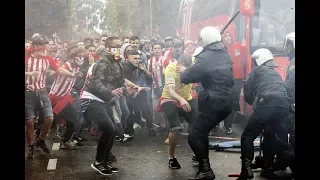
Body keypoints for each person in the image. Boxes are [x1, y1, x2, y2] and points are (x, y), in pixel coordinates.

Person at [180, 26, 237, 180]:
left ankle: (206, 170)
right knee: (201, 132)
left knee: (194, 136)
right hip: (228, 102)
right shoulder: (224, 53)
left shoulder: (204, 58)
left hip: (214, 102)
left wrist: (187, 67)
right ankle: (204, 168)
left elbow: (186, 77)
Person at [81, 37, 136, 176]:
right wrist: (110, 91)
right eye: (115, 46)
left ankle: (105, 161)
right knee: (109, 128)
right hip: (91, 99)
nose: (118, 49)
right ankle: (98, 162)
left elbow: (119, 82)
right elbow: (96, 83)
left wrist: (127, 91)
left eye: (120, 46)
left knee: (114, 129)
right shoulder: (102, 62)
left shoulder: (116, 63)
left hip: (105, 100)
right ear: (108, 48)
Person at [237, 48, 290, 180]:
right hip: (283, 106)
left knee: (247, 137)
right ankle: (269, 167)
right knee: (269, 135)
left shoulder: (256, 71)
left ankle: (246, 170)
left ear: (258, 61)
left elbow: (248, 94)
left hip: (268, 104)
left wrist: (254, 102)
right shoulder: (275, 73)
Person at [158, 54, 197, 169]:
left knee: (198, 125)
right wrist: (181, 100)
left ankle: (197, 154)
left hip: (187, 97)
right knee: (176, 128)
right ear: (179, 64)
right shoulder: (171, 68)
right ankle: (172, 157)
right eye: (183, 71)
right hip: (169, 98)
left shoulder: (193, 65)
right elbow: (170, 90)